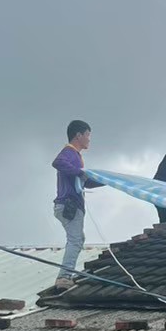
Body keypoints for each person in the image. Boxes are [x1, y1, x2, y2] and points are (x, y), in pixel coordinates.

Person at [51, 119, 102, 290]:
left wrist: (107, 181)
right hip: (69, 205)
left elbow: (84, 181)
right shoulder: (70, 152)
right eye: (87, 135)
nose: (89, 139)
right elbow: (58, 162)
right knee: (76, 239)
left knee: (78, 238)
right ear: (78, 135)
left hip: (69, 205)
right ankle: (64, 277)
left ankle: (66, 274)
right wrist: (80, 172)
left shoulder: (76, 156)